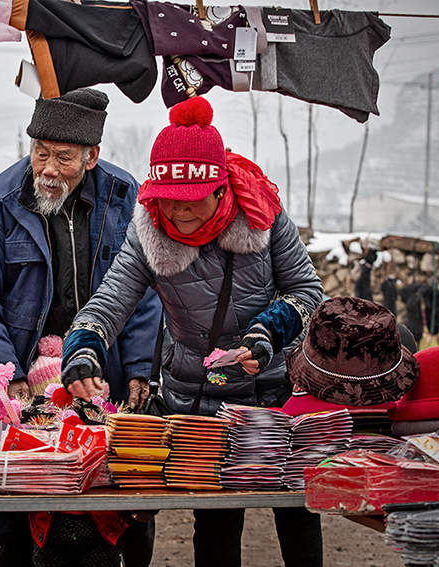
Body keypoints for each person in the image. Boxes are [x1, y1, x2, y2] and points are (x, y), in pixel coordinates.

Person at [61, 96, 325, 567]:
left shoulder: (263, 215)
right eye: (169, 203)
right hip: (199, 399)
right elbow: (109, 303)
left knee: (297, 512)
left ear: (221, 190)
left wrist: (267, 333)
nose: (179, 215)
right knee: (217, 519)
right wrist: (82, 351)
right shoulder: (148, 231)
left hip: (276, 394)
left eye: (192, 203)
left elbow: (308, 291)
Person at [0, 87, 161, 567]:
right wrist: (11, 376)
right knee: (22, 497)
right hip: (23, 373)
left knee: (113, 492)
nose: (47, 168)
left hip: (104, 371)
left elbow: (147, 290)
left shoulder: (124, 198)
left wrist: (141, 368)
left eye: (63, 158)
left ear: (92, 157)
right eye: (39, 153)